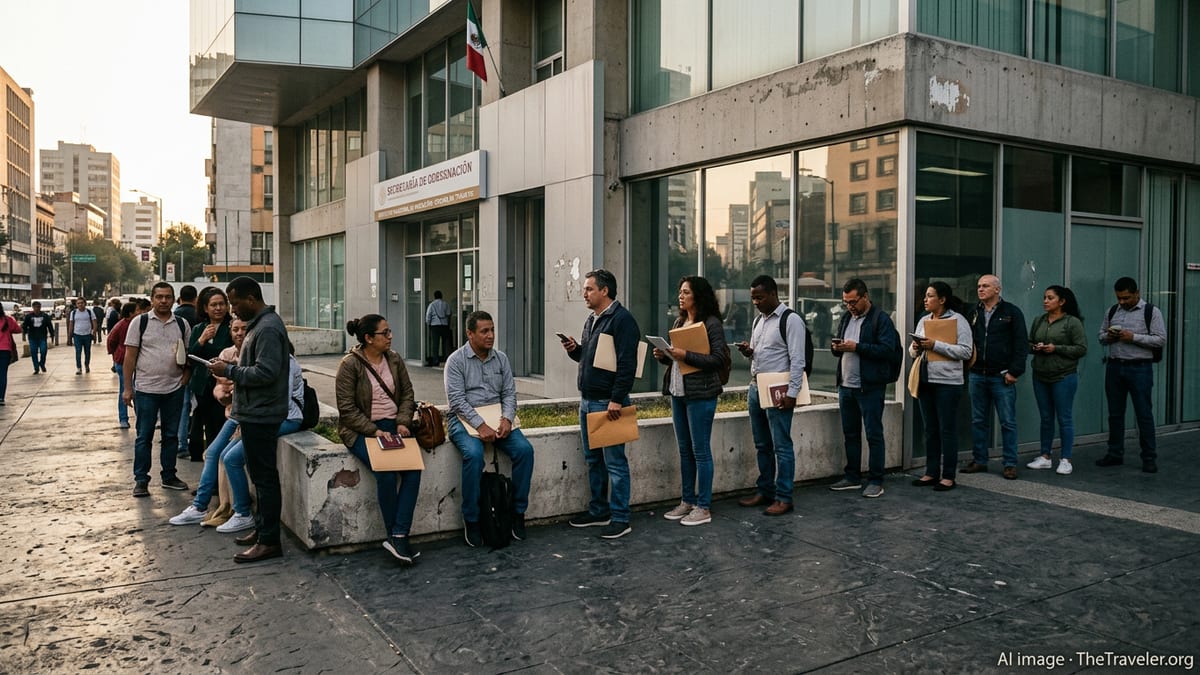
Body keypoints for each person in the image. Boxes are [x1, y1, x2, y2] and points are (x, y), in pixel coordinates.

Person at [205, 277, 291, 563]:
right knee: (259, 476)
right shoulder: (259, 325)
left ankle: (269, 541)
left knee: (265, 479)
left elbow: (266, 373)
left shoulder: (267, 328)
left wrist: (229, 370)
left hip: (263, 414)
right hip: (254, 412)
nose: (232, 310)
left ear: (252, 299)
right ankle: (262, 529)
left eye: (235, 302)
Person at [561, 269, 641, 539]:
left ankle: (621, 517)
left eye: (589, 289)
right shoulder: (592, 319)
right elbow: (594, 359)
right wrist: (576, 351)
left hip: (608, 403)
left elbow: (628, 364)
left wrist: (617, 399)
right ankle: (599, 511)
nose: (584, 293)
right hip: (587, 401)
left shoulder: (622, 320)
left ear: (604, 291)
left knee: (615, 463)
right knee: (593, 460)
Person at [336, 313, 421, 564]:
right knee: (384, 473)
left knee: (413, 471)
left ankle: (398, 533)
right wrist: (374, 431)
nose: (390, 336)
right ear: (368, 338)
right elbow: (347, 409)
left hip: (394, 426)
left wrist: (403, 422)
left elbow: (407, 393)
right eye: (385, 333)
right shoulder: (350, 365)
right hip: (363, 430)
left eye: (390, 331)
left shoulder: (394, 360)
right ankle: (396, 536)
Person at [445, 310, 535, 545]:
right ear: (470, 334)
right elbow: (456, 400)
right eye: (484, 331)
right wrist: (480, 425)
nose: (490, 335)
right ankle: (472, 519)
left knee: (525, 451)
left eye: (492, 330)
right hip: (463, 418)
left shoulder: (501, 358)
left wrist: (506, 419)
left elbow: (509, 393)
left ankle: (517, 513)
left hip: (497, 418)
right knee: (474, 455)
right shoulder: (456, 361)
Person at [653, 276, 725, 527]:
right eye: (679, 292)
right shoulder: (680, 321)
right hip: (678, 392)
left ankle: (703, 507)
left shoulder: (711, 324)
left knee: (700, 451)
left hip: (701, 395)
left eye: (685, 292)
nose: (680, 296)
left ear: (698, 296)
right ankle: (687, 500)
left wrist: (686, 354)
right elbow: (678, 361)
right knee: (684, 450)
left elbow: (718, 360)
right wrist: (665, 356)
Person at [734, 274, 807, 516]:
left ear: (774, 294)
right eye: (753, 297)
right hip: (756, 387)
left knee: (781, 445)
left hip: (779, 389)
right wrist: (749, 352)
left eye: (760, 297)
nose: (755, 301)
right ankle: (765, 490)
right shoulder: (759, 321)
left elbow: (798, 360)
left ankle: (784, 497)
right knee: (762, 444)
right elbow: (763, 353)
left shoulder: (791, 320)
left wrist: (792, 392)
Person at [828, 278, 901, 498]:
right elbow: (840, 351)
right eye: (845, 302)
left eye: (853, 301)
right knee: (850, 434)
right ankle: (852, 476)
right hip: (846, 386)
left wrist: (856, 347)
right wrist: (837, 347)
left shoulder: (881, 319)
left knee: (873, 434)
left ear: (865, 296)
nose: (849, 306)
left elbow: (887, 350)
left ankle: (876, 480)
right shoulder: (846, 318)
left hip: (869, 387)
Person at [124, 282, 191, 497]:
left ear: (174, 299)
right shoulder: (140, 322)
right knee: (144, 436)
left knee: (171, 436)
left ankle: (169, 475)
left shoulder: (181, 324)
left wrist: (184, 379)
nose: (163, 301)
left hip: (174, 389)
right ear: (152, 299)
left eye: (168, 297)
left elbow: (188, 356)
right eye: (159, 297)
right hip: (146, 390)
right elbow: (130, 357)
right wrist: (127, 388)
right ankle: (141, 480)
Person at [1096, 276, 1167, 473]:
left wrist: (1132, 337)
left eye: (1126, 298)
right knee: (1115, 414)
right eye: (1119, 298)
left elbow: (1160, 340)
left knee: (1143, 413)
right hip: (1115, 367)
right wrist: (1109, 337)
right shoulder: (1112, 311)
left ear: (1137, 293)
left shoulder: (1151, 312)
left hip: (1140, 368)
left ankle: (1149, 457)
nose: (1122, 302)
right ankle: (1115, 453)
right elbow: (1100, 336)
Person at [962, 274, 1028, 480]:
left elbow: (1021, 344)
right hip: (977, 374)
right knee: (978, 420)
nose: (980, 289)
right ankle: (980, 460)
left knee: (1007, 422)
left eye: (985, 286)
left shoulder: (1012, 312)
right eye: (979, 286)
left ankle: (1009, 464)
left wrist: (1014, 371)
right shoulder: (973, 312)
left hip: (1001, 376)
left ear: (997, 290)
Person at [909, 281, 973, 491]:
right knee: (930, 429)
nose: (925, 300)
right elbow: (912, 352)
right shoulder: (924, 320)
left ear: (942, 299)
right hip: (926, 380)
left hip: (948, 383)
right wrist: (916, 347)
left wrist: (935, 345)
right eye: (925, 296)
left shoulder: (958, 320)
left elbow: (965, 351)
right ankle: (931, 472)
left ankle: (948, 476)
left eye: (929, 296)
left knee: (947, 429)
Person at [1026, 285, 1087, 475]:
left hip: (1063, 376)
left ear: (1061, 302)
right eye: (1044, 297)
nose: (1045, 301)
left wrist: (1056, 348)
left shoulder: (1072, 322)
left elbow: (1081, 348)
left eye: (1050, 298)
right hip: (1041, 375)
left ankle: (1066, 459)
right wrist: (1035, 347)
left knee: (1064, 417)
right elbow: (1027, 344)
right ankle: (1045, 456)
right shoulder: (1039, 320)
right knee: (1046, 418)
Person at [186, 288, 234, 462]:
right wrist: (201, 340)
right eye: (213, 305)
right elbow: (190, 356)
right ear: (205, 308)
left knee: (221, 428)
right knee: (209, 428)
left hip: (224, 386)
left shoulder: (232, 328)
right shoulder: (199, 329)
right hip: (202, 387)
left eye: (222, 304)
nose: (218, 308)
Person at [175, 285, 200, 459]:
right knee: (199, 405)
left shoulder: (174, 316)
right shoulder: (199, 315)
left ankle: (181, 443)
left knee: (182, 406)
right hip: (200, 366)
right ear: (195, 298)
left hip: (180, 367)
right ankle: (198, 440)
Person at [105, 302, 137, 429]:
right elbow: (110, 341)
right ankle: (124, 418)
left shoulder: (136, 324)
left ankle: (131, 418)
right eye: (137, 310)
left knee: (135, 390)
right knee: (127, 390)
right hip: (123, 362)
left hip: (133, 361)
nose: (140, 312)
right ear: (130, 313)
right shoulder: (123, 325)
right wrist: (117, 355)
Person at [21, 301, 55, 375]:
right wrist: (23, 335)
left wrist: (52, 335)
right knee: (33, 352)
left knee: (43, 351)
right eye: (35, 307)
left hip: (42, 337)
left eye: (38, 307)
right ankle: (36, 367)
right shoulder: (29, 316)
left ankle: (42, 363)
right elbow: (24, 326)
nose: (37, 309)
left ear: (40, 307)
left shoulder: (45, 316)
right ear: (33, 308)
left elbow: (50, 326)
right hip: (32, 337)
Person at [0, 304, 21, 405]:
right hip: (5, 350)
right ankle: (1, 397)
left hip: (4, 350)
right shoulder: (8, 320)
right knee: (2, 374)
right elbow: (18, 329)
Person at [69, 298, 96, 374]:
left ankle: (87, 365)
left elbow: (94, 322)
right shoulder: (73, 313)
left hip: (87, 335)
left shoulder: (89, 312)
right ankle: (79, 368)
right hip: (77, 335)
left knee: (87, 352)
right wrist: (70, 336)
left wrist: (94, 333)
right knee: (78, 352)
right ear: (76, 304)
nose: (80, 304)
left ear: (85, 303)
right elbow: (71, 324)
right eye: (78, 303)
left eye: (82, 303)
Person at [425, 290, 452, 365]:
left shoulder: (432, 305)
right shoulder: (445, 304)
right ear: (441, 296)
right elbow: (448, 313)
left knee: (435, 344)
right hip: (444, 325)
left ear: (434, 296)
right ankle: (445, 358)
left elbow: (428, 316)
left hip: (435, 326)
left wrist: (428, 324)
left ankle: (435, 360)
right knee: (445, 343)